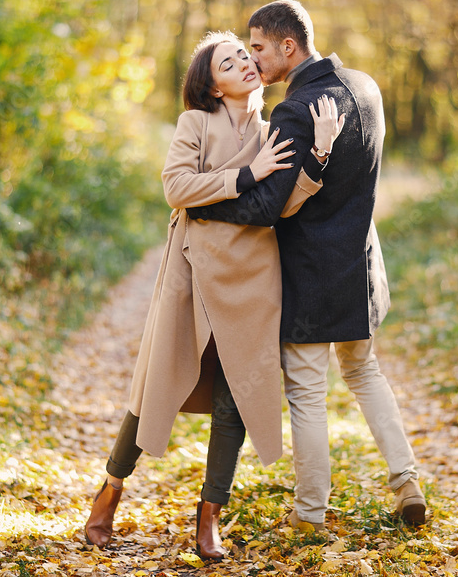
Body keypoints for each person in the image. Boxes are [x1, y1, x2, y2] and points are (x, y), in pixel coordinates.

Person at [83, 30, 344, 558]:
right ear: (213, 85)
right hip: (192, 274)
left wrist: (317, 154)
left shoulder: (277, 129)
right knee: (158, 384)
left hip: (253, 278)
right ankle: (109, 493)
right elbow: (175, 187)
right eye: (229, 62)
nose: (246, 64)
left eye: (246, 57)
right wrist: (245, 174)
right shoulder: (195, 123)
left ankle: (209, 519)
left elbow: (284, 206)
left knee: (237, 396)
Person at [187, 0, 427, 531]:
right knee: (366, 373)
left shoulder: (296, 111)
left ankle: (310, 513)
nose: (253, 59)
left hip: (312, 276)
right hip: (362, 267)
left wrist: (201, 202)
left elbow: (269, 205)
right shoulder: (365, 87)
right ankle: (406, 480)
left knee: (308, 395)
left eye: (258, 48)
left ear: (287, 48)